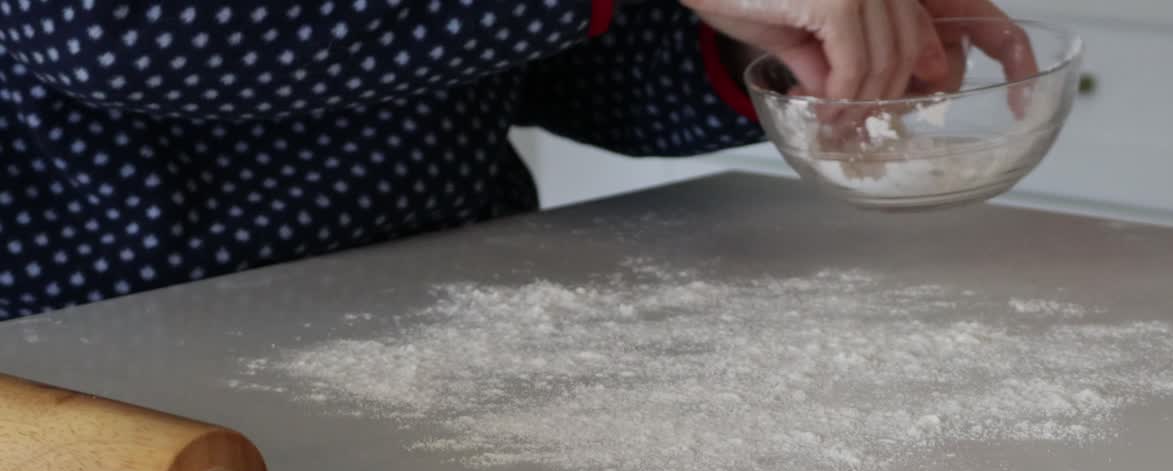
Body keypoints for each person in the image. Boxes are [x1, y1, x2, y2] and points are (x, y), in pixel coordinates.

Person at [0, 0, 1030, 320]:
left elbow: (548, 58)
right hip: (83, 369)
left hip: (449, 327)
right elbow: (113, 29)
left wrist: (763, 50)